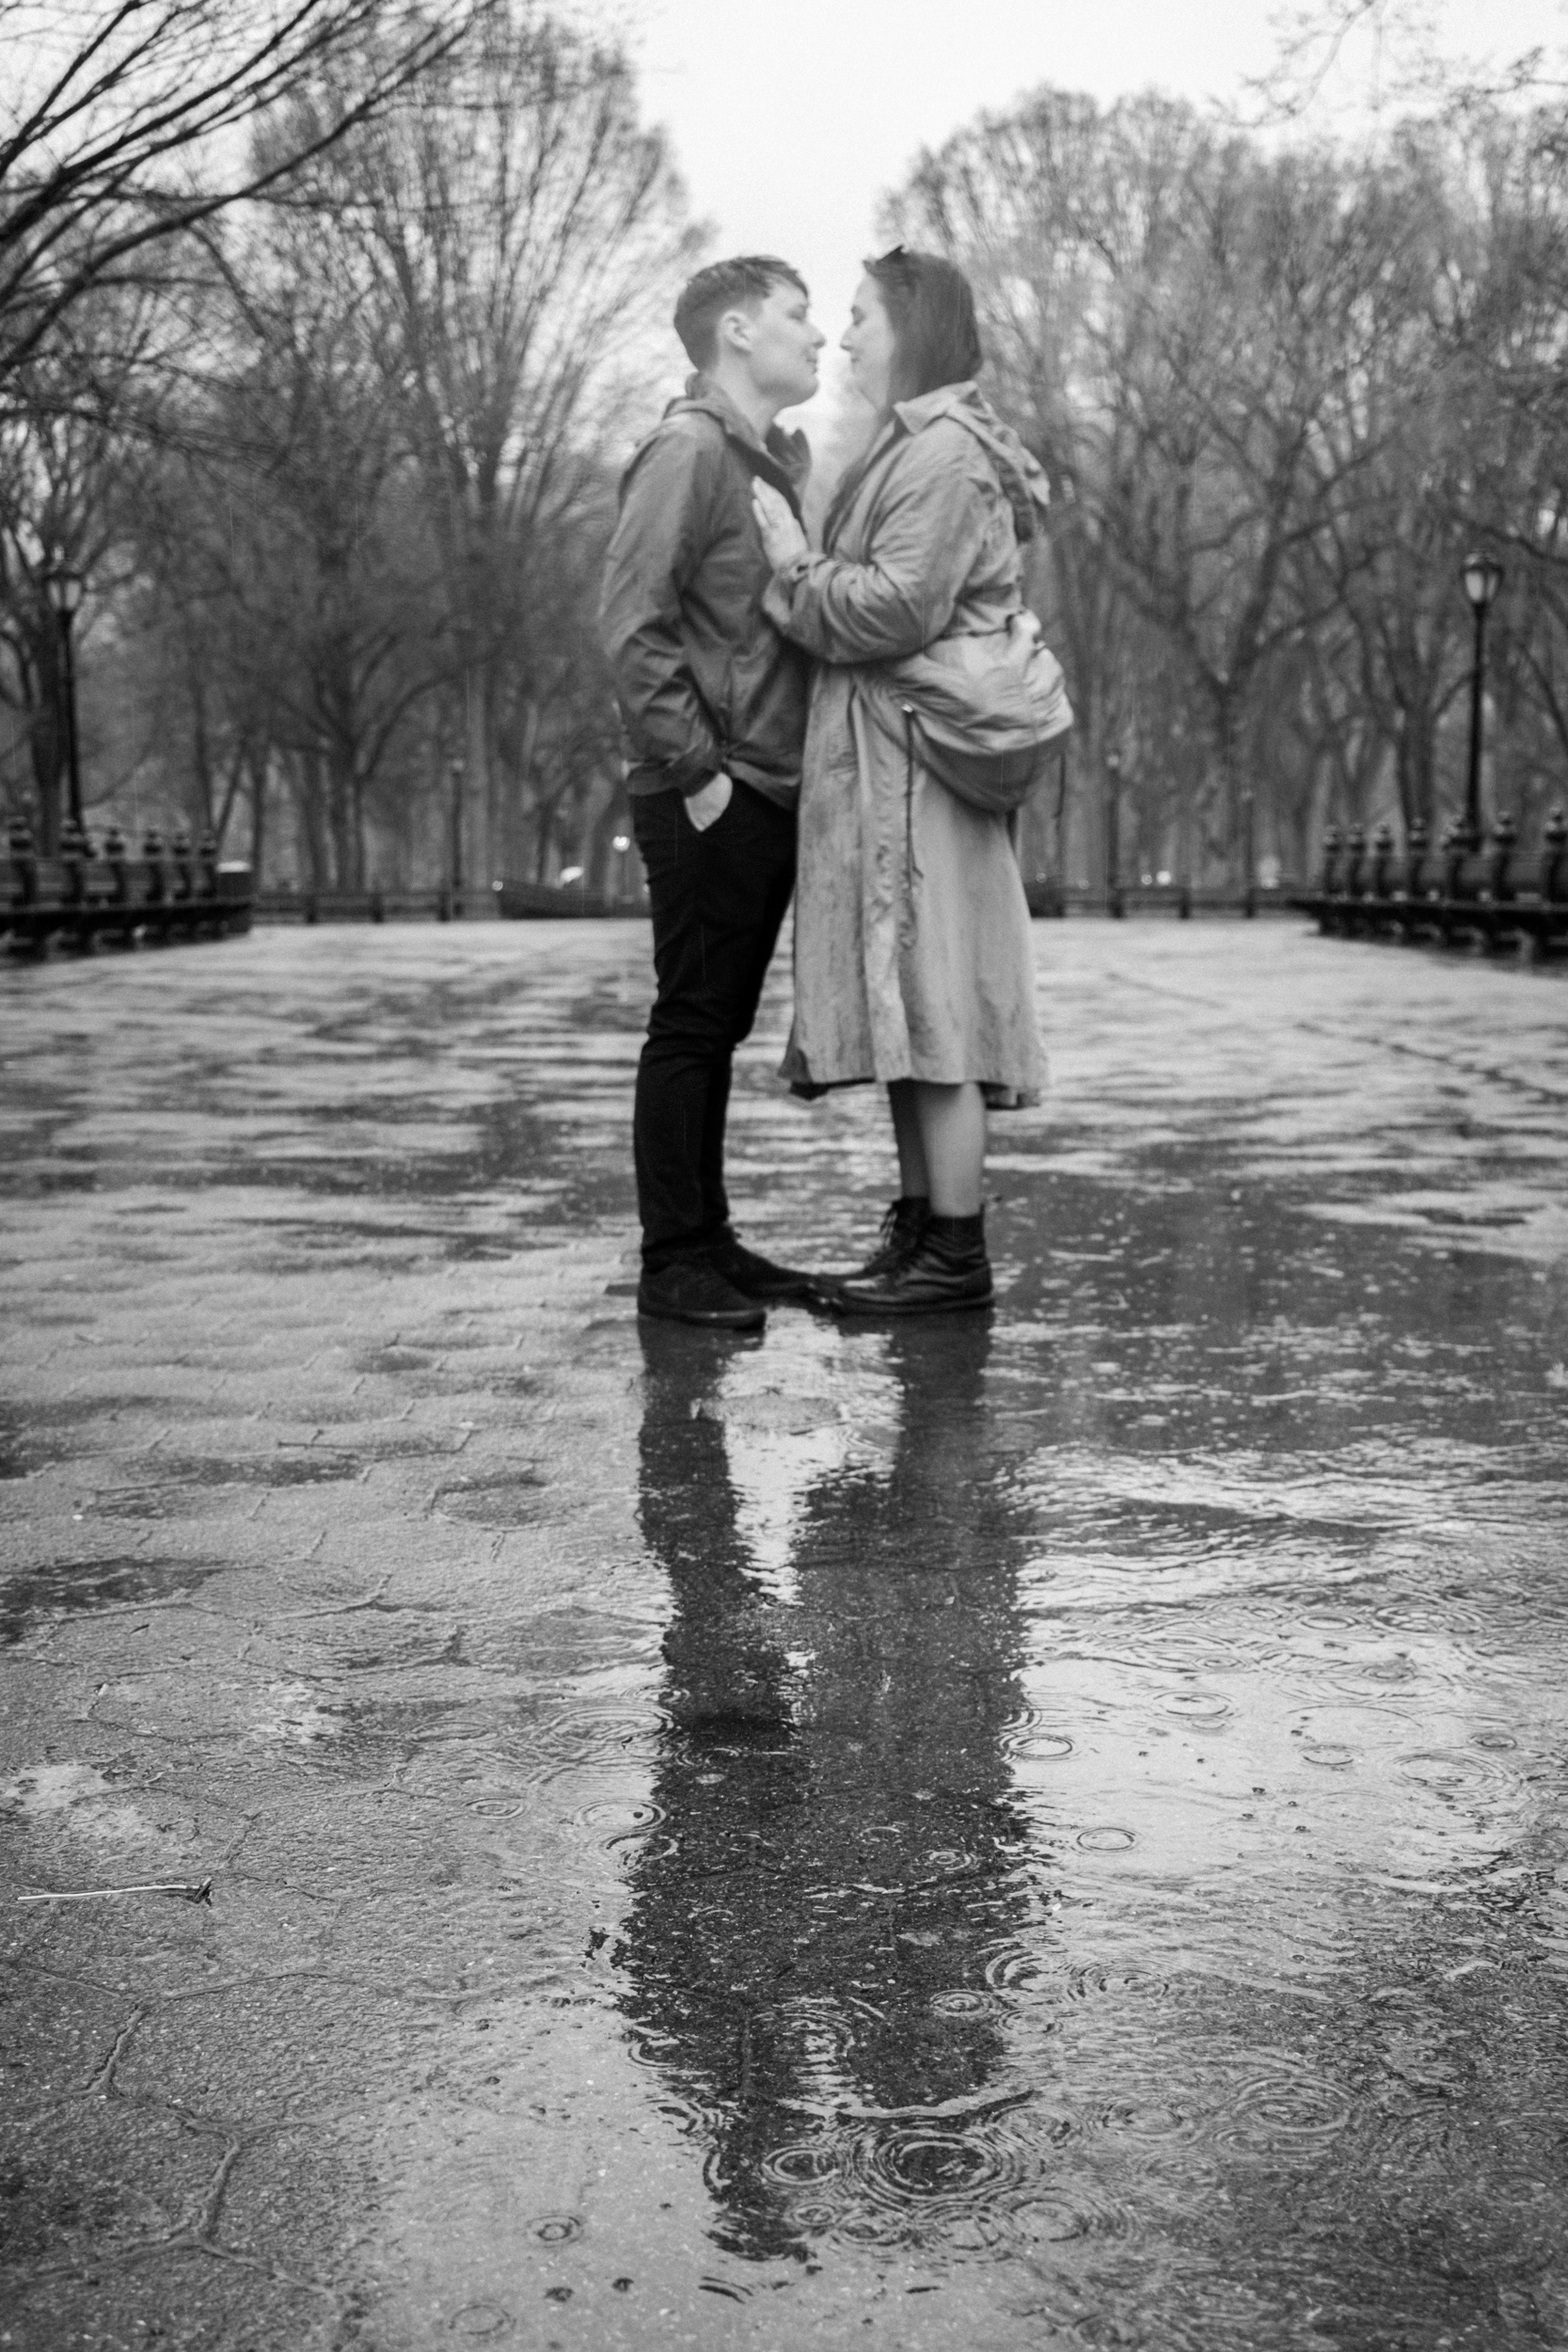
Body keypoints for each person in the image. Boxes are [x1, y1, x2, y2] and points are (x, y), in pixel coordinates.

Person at [752, 247, 1052, 1315]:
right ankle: (920, 1233)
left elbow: (891, 610)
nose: (842, 335)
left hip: (920, 764)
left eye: (861, 314)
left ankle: (952, 1258)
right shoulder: (909, 446)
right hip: (901, 758)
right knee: (913, 1015)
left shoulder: (941, 455)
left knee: (940, 1014)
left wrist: (791, 561)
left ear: (912, 328)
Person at [601, 257, 826, 1331]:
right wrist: (697, 776)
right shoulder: (688, 450)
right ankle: (672, 1260)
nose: (817, 336)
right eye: (797, 315)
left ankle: (708, 1239)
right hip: (712, 785)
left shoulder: (766, 462)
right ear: (736, 331)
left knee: (715, 1021)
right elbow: (632, 622)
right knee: (690, 1021)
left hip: (762, 781)